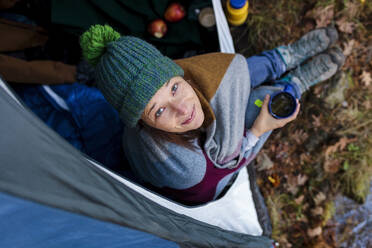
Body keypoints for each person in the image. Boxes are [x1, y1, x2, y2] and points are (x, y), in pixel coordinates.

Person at [80, 24, 345, 205]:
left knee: (231, 75)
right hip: (217, 167)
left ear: (175, 70)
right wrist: (257, 131)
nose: (183, 109)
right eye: (159, 110)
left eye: (173, 87)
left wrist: (176, 93)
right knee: (263, 105)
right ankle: (296, 83)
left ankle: (284, 57)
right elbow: (225, 168)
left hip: (211, 136)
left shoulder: (176, 84)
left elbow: (224, 73)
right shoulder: (186, 167)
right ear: (141, 122)